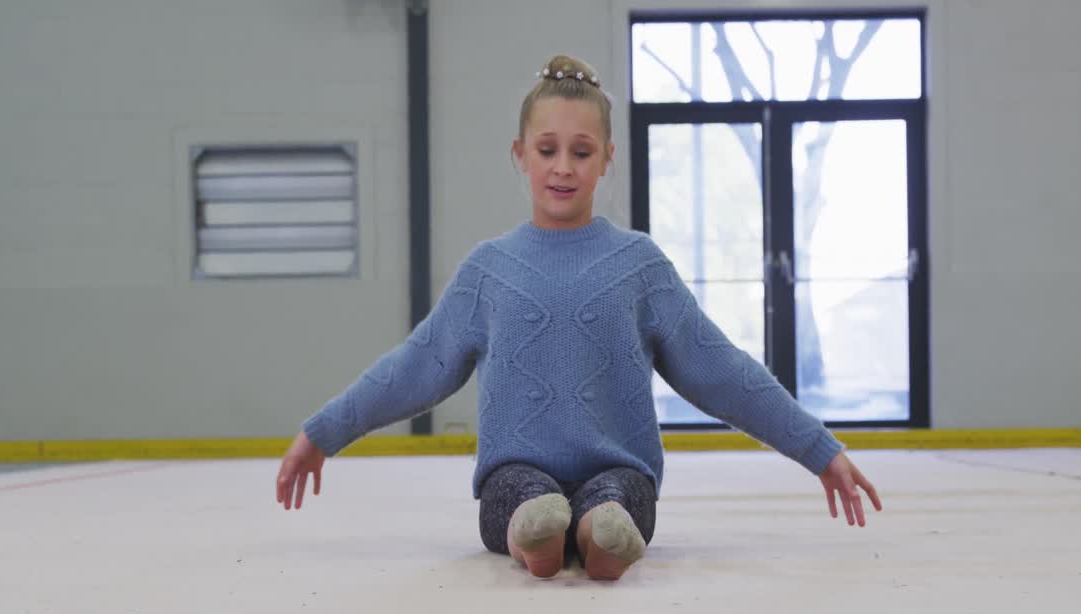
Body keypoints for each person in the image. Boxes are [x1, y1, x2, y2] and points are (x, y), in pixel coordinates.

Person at [275, 54, 882, 581]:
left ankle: (600, 537)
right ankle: (535, 538)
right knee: (523, 499)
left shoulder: (639, 265)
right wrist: (324, 433)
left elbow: (720, 368)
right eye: (547, 150)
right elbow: (414, 368)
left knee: (617, 502)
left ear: (607, 159)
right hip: (514, 476)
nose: (563, 166)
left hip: (621, 475)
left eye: (581, 152)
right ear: (520, 154)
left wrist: (818, 449)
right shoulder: (488, 271)